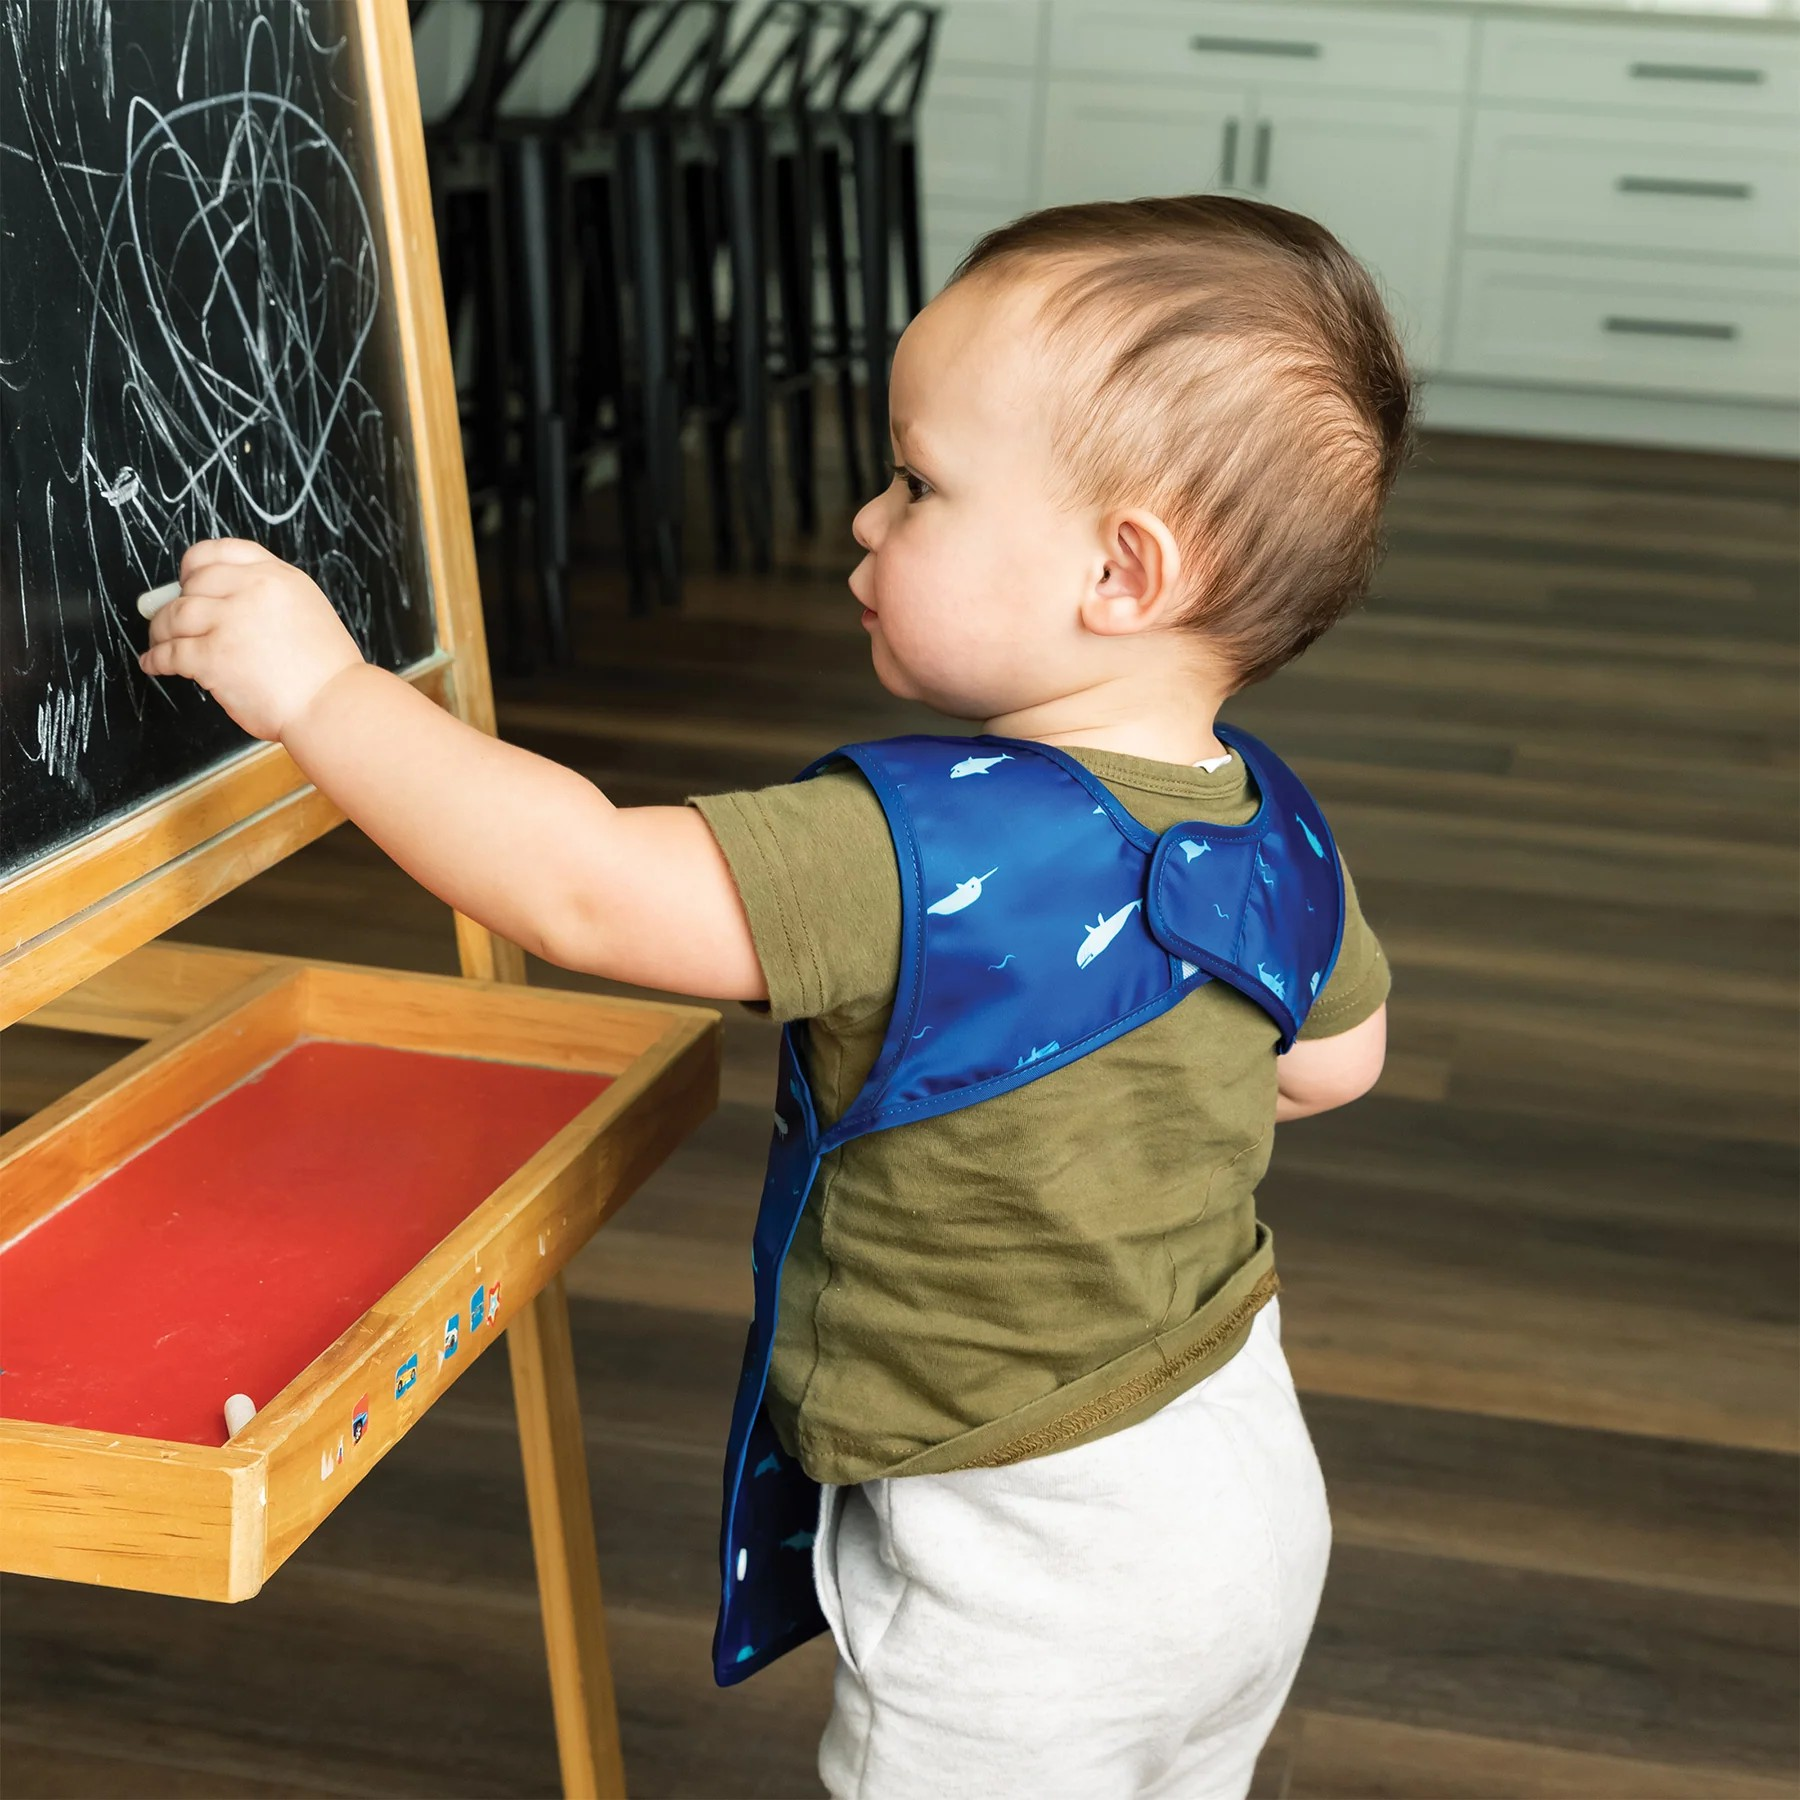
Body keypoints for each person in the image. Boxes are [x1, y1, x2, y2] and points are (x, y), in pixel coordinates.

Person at [140, 194, 1405, 1800]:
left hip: (1029, 1559)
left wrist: (323, 692)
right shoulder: (1270, 817)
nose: (868, 520)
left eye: (919, 482)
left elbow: (580, 881)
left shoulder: (910, 852)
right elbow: (1337, 1061)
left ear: (1122, 570)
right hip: (1236, 1477)